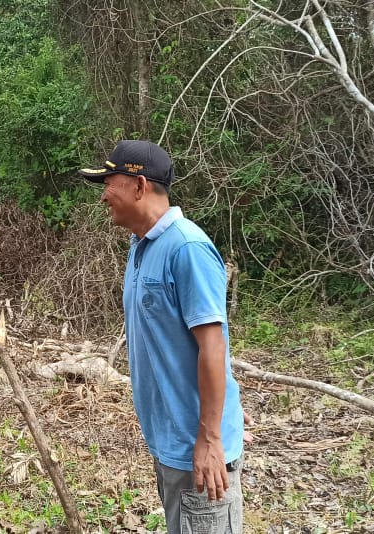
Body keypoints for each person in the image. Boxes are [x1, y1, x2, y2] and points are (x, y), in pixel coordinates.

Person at [80, 140, 246, 533]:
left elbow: (213, 343)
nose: (104, 195)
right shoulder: (141, 245)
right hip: (170, 443)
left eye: (110, 183)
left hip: (197, 450)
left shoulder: (186, 248)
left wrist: (212, 436)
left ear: (139, 186)